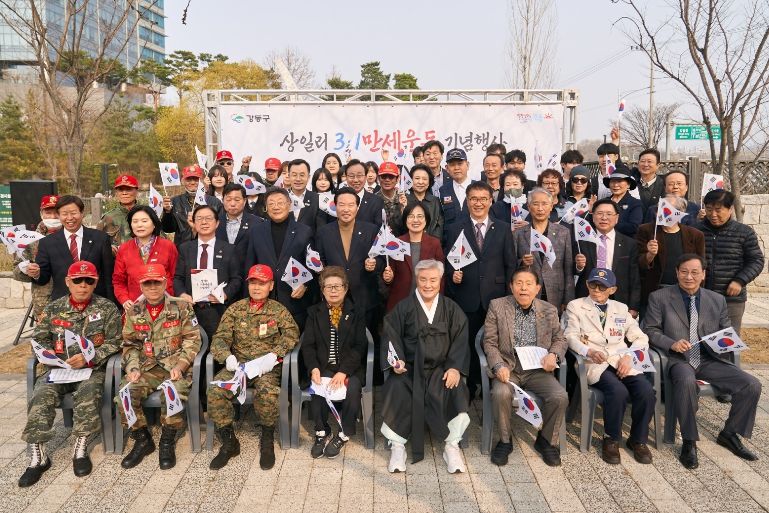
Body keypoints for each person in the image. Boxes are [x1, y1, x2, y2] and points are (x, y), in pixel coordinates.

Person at [645, 254, 762, 469]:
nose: (689, 277)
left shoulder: (716, 299)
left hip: (708, 359)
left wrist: (726, 341)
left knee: (751, 384)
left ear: (703, 274)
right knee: (686, 381)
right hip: (678, 360)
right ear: (677, 273)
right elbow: (650, 330)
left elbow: (725, 331)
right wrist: (672, 343)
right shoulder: (659, 297)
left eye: (694, 272)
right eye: (684, 272)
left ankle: (730, 433)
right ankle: (689, 441)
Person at [18, 261, 121, 487]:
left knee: (89, 391)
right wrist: (51, 357)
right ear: (67, 282)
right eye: (77, 280)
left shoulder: (107, 308)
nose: (83, 285)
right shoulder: (53, 309)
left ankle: (80, 447)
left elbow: (115, 342)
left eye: (89, 281)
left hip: (91, 370)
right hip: (58, 370)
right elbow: (39, 340)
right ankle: (38, 456)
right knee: (41, 394)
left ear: (95, 283)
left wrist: (89, 358)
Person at [381, 259, 470, 473]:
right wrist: (397, 361)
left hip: (441, 369)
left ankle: (452, 445)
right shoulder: (403, 307)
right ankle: (398, 446)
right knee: (397, 387)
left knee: (455, 388)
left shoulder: (451, 308)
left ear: (440, 281)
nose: (428, 285)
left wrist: (455, 367)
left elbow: (460, 339)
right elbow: (391, 335)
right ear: (416, 280)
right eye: (423, 280)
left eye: (433, 280)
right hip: (410, 368)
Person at [208, 264, 300, 470]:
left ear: (271, 286)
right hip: (238, 366)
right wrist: (226, 356)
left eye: (262, 283)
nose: (257, 287)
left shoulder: (278, 310)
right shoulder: (235, 309)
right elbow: (220, 338)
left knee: (267, 392)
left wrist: (275, 355)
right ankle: (229, 442)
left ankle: (267, 438)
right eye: (253, 283)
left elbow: (292, 334)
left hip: (266, 367)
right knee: (215, 391)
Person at [564, 268, 656, 465]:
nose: (596, 290)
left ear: (612, 289)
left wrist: (630, 357)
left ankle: (638, 439)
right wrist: (588, 351)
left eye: (602, 287)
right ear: (587, 284)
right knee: (617, 391)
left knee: (646, 390)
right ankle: (611, 438)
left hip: (621, 360)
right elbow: (570, 336)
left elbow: (640, 338)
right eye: (593, 285)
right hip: (594, 362)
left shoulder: (621, 308)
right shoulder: (576, 306)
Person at [118, 264, 202, 470]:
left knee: (172, 393)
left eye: (157, 282)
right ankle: (142, 439)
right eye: (148, 283)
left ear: (165, 283)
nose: (153, 287)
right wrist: (132, 369)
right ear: (141, 286)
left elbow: (193, 340)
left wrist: (181, 366)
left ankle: (167, 440)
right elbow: (129, 345)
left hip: (175, 366)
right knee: (125, 394)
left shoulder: (181, 306)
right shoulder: (134, 311)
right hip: (146, 367)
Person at [483, 268, 568, 467]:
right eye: (519, 283)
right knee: (501, 393)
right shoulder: (497, 306)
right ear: (511, 286)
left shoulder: (549, 309)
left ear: (537, 288)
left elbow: (560, 339)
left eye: (529, 284)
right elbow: (489, 342)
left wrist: (553, 355)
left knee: (559, 396)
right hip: (508, 368)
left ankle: (546, 440)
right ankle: (505, 441)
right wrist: (498, 365)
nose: (523, 288)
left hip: (537, 369)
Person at [444, 182, 515, 399]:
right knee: (467, 342)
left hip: (496, 297)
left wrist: (508, 297)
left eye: (483, 199)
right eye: (474, 199)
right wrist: (453, 275)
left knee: (495, 343)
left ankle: (491, 384)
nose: (478, 203)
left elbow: (510, 264)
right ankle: (471, 384)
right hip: (467, 295)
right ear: (467, 201)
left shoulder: (503, 228)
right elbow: (449, 262)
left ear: (491, 201)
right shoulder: (455, 228)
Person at [302, 267, 366, 459]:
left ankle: (344, 433)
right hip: (323, 365)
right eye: (328, 286)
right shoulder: (314, 312)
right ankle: (322, 431)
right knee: (317, 386)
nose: (333, 290)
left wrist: (343, 371)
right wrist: (313, 367)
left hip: (349, 368)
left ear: (345, 288)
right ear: (322, 290)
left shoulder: (356, 312)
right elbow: (308, 345)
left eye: (337, 286)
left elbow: (360, 346)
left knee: (353, 387)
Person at [697, 190, 765, 335]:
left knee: (728, 339)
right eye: (709, 209)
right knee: (700, 336)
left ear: (731, 209)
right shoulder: (696, 230)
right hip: (701, 295)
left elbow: (756, 260)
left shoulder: (744, 232)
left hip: (731, 298)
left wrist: (740, 281)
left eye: (718, 210)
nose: (713, 214)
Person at [316, 188, 384, 329]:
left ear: (357, 207)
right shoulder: (323, 232)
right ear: (335, 206)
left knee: (366, 338)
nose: (346, 209)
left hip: (365, 297)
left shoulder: (371, 230)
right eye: (342, 205)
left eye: (351, 205)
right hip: (335, 298)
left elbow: (382, 260)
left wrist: (375, 264)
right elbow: (320, 261)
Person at [245, 188, 314, 329]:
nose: (276, 207)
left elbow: (312, 265)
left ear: (289, 204)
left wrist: (305, 285)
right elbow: (250, 265)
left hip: (294, 301)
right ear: (266, 207)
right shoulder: (256, 231)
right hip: (263, 302)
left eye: (280, 203)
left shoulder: (304, 231)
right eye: (271, 203)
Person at [174, 205, 243, 341]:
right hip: (191, 309)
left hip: (218, 310)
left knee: (218, 348)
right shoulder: (185, 248)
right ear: (194, 223)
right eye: (199, 219)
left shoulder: (229, 249)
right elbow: (178, 278)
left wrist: (225, 294)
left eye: (208, 218)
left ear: (217, 223)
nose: (204, 222)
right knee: (192, 348)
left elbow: (237, 279)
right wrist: (182, 294)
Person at [30, 195, 114, 302]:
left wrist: (111, 303)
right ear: (59, 215)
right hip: (63, 303)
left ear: (82, 213)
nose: (69, 218)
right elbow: (43, 278)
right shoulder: (47, 242)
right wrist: (36, 273)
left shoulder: (100, 238)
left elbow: (109, 276)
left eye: (73, 213)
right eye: (64, 214)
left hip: (96, 302)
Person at [636, 195, 705, 309]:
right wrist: (650, 255)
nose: (661, 213)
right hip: (654, 291)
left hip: (685, 291)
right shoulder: (646, 230)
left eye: (667, 209)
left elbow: (701, 266)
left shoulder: (695, 235)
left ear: (680, 212)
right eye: (659, 209)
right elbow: (639, 263)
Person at [574, 198, 641, 316]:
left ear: (617, 218)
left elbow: (634, 277)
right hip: (587, 297)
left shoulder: (629, 244)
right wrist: (579, 267)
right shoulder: (581, 241)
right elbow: (571, 272)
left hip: (618, 298)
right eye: (600, 213)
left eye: (609, 214)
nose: (604, 218)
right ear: (593, 216)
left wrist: (633, 306)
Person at [514, 188, 574, 312]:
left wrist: (568, 299)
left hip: (556, 294)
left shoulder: (563, 232)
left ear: (551, 206)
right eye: (535, 204)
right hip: (527, 293)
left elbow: (568, 269)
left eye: (545, 204)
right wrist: (522, 262)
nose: (540, 208)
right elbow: (511, 265)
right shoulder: (518, 234)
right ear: (529, 207)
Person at [382, 202, 445, 311]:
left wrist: (438, 302)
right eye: (411, 216)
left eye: (420, 216)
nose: (415, 220)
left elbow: (441, 277)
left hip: (427, 302)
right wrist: (388, 278)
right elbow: (390, 275)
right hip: (400, 302)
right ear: (405, 220)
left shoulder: (434, 243)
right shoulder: (397, 243)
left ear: (426, 220)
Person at [113, 206, 177, 312]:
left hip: (166, 306)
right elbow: (118, 281)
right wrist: (124, 299)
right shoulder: (124, 249)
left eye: (144, 221)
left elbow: (176, 277)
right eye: (135, 221)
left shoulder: (168, 246)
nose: (139, 225)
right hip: (135, 307)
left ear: (154, 223)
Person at [13, 194, 60, 320]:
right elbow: (16, 272)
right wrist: (26, 269)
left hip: (71, 299)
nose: (53, 216)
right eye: (48, 212)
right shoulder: (30, 239)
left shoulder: (73, 236)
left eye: (57, 212)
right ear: (41, 213)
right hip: (43, 302)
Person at [161, 164, 223, 249]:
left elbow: (221, 228)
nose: (193, 182)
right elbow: (168, 229)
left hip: (209, 248)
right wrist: (167, 212)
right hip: (183, 249)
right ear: (182, 181)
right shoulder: (175, 201)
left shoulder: (214, 202)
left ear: (201, 180)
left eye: (196, 179)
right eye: (188, 179)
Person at [214, 182, 263, 265]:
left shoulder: (257, 223)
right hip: (220, 269)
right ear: (222, 200)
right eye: (228, 200)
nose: (232, 204)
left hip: (246, 269)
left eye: (237, 200)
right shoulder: (215, 221)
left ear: (244, 201)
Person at [98, 174, 140, 254]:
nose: (124, 193)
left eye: (128, 189)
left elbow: (159, 239)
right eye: (120, 190)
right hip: (117, 260)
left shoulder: (146, 214)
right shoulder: (108, 217)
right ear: (116, 193)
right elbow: (96, 244)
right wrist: (108, 247)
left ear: (136, 191)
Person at [403, 164, 443, 240]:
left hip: (431, 244)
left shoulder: (435, 201)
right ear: (410, 180)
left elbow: (439, 226)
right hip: (407, 243)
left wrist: (432, 242)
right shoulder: (404, 200)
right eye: (417, 178)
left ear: (429, 182)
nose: (420, 182)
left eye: (424, 179)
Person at [439, 148, 476, 229]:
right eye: (452, 165)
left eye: (460, 164)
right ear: (447, 168)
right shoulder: (442, 191)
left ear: (467, 165)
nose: (456, 168)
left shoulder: (479, 188)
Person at [287, 158, 326, 234]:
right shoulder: (281, 198)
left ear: (308, 177)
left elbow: (321, 230)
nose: (298, 179)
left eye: (302, 175)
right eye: (294, 175)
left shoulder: (317, 199)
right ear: (289, 176)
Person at [344, 159, 384, 228]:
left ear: (365, 177)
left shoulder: (376, 201)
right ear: (346, 177)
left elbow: (377, 228)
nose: (356, 180)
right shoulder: (339, 198)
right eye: (351, 176)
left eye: (359, 176)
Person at [604, 166, 643, 237]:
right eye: (612, 181)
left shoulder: (635, 203)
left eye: (619, 181)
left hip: (624, 241)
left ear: (628, 185)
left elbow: (634, 227)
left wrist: (610, 223)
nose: (615, 185)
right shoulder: (603, 202)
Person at [632, 148, 665, 212]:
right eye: (642, 161)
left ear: (658, 165)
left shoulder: (664, 185)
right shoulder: (631, 182)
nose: (645, 165)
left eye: (649, 162)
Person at [376, 161, 404, 235]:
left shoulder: (404, 199)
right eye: (384, 176)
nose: (387, 180)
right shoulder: (373, 200)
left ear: (397, 179)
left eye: (391, 177)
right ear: (378, 178)